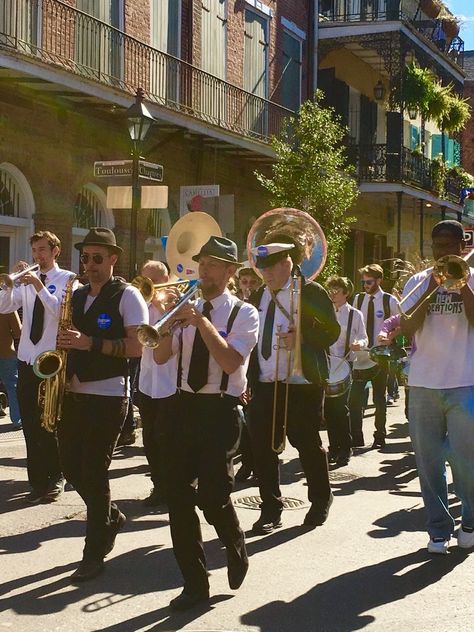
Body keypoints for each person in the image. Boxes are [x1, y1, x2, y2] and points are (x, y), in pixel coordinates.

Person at [154, 236, 259, 611]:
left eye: (213, 264)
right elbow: (162, 356)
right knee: (178, 499)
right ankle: (194, 583)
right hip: (183, 408)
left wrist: (200, 323)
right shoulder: (187, 309)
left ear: (231, 272)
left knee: (213, 496)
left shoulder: (243, 313)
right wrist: (166, 326)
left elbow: (231, 362)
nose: (205, 270)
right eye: (202, 263)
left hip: (220, 410)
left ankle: (234, 542)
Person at [56, 227, 148, 582]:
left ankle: (93, 552)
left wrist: (89, 343)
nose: (89, 265)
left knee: (94, 472)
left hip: (108, 395)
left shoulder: (129, 297)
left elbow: (138, 347)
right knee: (71, 468)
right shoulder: (76, 297)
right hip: (73, 392)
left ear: (113, 259)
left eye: (97, 258)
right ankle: (109, 516)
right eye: (85, 258)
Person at [246, 241, 340, 535]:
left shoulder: (311, 291)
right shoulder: (259, 294)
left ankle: (320, 498)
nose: (266, 274)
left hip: (301, 381)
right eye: (262, 268)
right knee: (262, 448)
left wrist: (301, 337)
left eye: (271, 267)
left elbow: (331, 332)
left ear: (287, 263)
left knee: (306, 443)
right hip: (265, 380)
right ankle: (270, 508)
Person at [400, 220, 474, 554]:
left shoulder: (471, 278)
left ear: (462, 246)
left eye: (448, 245)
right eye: (436, 245)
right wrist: (432, 286)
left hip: (465, 383)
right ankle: (439, 529)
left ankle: (470, 522)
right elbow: (407, 326)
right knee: (428, 464)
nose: (441, 251)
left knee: (466, 461)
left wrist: (463, 285)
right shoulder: (418, 281)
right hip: (423, 385)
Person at [0, 231, 74, 503]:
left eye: (42, 249)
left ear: (55, 250)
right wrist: (11, 283)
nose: (37, 256)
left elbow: (60, 311)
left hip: (52, 361)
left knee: (50, 423)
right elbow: (4, 306)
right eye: (34, 251)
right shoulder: (27, 281)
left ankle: (56, 477)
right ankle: (38, 481)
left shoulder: (67, 280)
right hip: (27, 359)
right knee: (30, 424)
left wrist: (40, 287)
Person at [137, 259, 177, 506]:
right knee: (150, 438)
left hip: (170, 381)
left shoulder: (173, 302)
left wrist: (161, 306)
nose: (148, 285)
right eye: (144, 280)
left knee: (167, 438)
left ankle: (173, 486)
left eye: (153, 281)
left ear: (165, 281)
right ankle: (159, 485)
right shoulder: (140, 305)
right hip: (146, 380)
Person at [350, 264, 399, 449]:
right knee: (355, 398)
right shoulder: (358, 299)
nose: (365, 285)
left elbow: (401, 323)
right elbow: (354, 322)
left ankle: (380, 436)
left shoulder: (389, 300)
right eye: (363, 282)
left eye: (369, 281)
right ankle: (356, 437)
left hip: (380, 355)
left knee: (379, 398)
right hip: (361, 354)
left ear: (379, 280)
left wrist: (390, 336)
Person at [325, 275, 368, 466]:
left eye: (336, 290)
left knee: (341, 409)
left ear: (346, 293)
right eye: (330, 290)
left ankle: (345, 448)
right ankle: (333, 448)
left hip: (345, 364)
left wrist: (359, 343)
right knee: (328, 410)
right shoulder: (325, 311)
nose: (332, 294)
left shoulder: (355, 314)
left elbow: (364, 337)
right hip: (325, 364)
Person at [234, 263, 263, 482]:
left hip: (257, 368)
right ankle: (247, 460)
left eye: (253, 282)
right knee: (242, 420)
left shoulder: (263, 303)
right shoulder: (234, 305)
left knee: (254, 421)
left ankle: (254, 461)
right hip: (237, 368)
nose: (248, 286)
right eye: (244, 282)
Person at [0, 312, 22, 429]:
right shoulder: (8, 307)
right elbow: (18, 331)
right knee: (12, 386)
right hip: (5, 352)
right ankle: (17, 419)